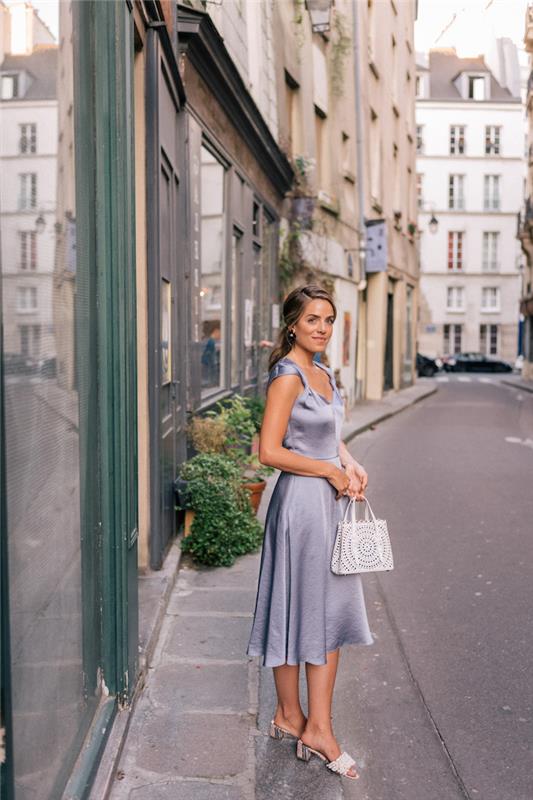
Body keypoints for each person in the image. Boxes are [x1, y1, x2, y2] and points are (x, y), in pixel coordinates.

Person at [246, 284, 374, 781]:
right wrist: (326, 472)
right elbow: (269, 452)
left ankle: (310, 722)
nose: (321, 328)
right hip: (301, 505)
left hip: (328, 503)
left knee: (328, 611)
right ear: (292, 324)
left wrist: (348, 460)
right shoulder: (287, 376)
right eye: (312, 319)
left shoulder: (323, 372)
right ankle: (295, 718)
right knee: (297, 608)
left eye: (328, 320)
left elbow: (328, 434)